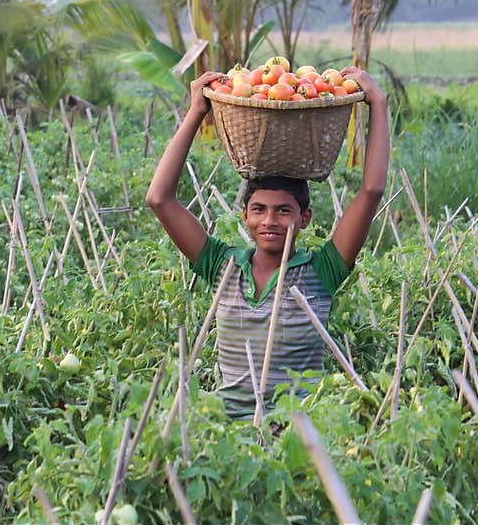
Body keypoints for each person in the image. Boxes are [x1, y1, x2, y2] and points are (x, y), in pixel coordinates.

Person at [146, 66, 389, 420]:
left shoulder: (321, 271)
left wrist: (378, 103)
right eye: (259, 209)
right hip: (229, 436)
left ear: (304, 219)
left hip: (298, 436)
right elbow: (159, 199)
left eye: (283, 211)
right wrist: (197, 111)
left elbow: (371, 191)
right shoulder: (223, 265)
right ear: (245, 214)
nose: (270, 221)